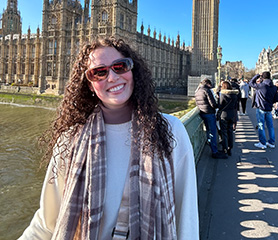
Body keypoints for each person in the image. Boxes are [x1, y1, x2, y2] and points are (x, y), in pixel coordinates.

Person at [19, 36, 199, 239]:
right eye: (99, 72)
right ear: (88, 84)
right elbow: (45, 225)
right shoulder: (70, 141)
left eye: (120, 66)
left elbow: (187, 221)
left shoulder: (170, 130)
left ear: (133, 70)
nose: (112, 77)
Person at [195, 78, 227, 159]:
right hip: (209, 113)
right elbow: (212, 104)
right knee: (213, 132)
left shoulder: (198, 91)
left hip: (203, 113)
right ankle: (214, 152)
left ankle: (212, 146)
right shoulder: (206, 90)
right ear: (208, 84)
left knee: (208, 131)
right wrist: (218, 105)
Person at [249, 71, 278, 149]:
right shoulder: (274, 87)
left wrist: (258, 75)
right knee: (270, 126)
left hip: (261, 108)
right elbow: (275, 99)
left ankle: (262, 143)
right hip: (269, 108)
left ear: (262, 77)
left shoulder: (261, 85)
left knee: (261, 125)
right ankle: (271, 142)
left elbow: (251, 83)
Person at [218, 81, 239, 156]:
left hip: (224, 115)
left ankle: (225, 149)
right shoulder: (235, 95)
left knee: (224, 132)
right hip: (232, 115)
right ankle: (230, 148)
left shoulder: (223, 95)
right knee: (230, 131)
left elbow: (220, 105)